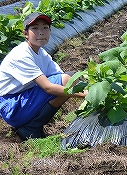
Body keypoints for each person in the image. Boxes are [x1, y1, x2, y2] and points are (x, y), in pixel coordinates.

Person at [0, 12, 87, 141]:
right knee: (66, 82)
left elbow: (62, 76)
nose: (41, 32)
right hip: (12, 107)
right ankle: (30, 127)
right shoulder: (21, 55)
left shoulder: (41, 53)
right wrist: (86, 94)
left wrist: (92, 85)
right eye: (35, 28)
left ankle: (33, 125)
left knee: (70, 77)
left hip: (23, 99)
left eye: (45, 28)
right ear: (25, 34)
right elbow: (48, 88)